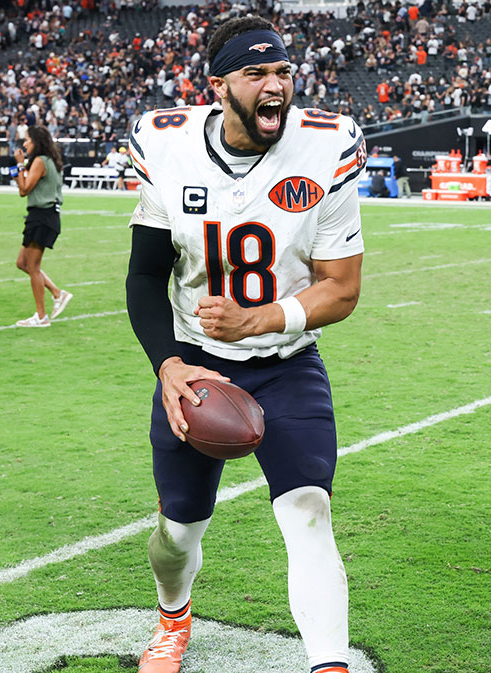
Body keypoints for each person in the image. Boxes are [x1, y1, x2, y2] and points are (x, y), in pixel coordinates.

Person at [124, 16, 366, 673]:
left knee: (310, 510)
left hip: (287, 363)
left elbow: (341, 288)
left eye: (284, 72)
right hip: (195, 367)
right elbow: (145, 276)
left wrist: (259, 320)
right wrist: (168, 364)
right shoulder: (165, 142)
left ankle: (329, 663)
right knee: (177, 531)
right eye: (256, 73)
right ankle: (173, 616)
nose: (275, 85)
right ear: (219, 85)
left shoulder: (328, 144)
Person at [11, 125, 71, 327]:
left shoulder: (40, 161)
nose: (25, 143)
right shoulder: (48, 161)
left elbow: (24, 189)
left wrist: (19, 165)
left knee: (32, 267)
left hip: (42, 216)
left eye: (27, 140)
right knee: (22, 263)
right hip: (41, 216)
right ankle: (57, 293)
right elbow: (24, 187)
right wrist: (20, 168)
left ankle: (41, 316)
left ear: (36, 141)